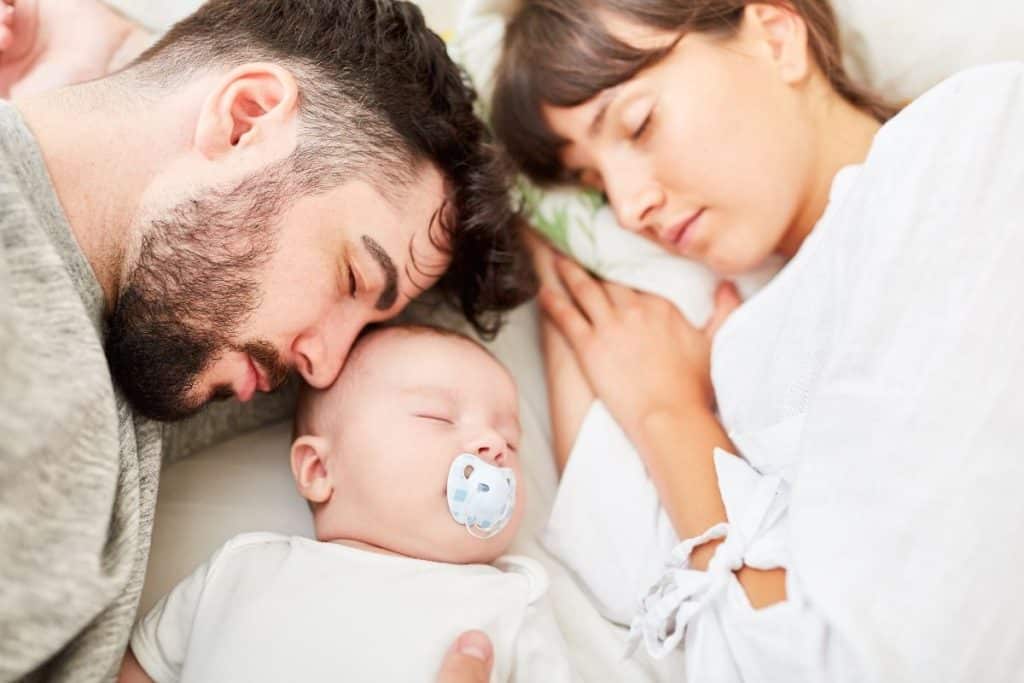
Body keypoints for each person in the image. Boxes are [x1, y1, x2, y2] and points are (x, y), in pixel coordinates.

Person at [0, 0, 534, 680]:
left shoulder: (164, 328)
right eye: (351, 275)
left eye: (369, 326)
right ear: (247, 116)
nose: (327, 365)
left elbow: (415, 384)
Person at [492, 0, 1024, 680]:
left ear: (776, 37)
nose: (627, 207)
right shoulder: (738, 341)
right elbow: (638, 581)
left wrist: (672, 416)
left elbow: (870, 660)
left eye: (638, 122)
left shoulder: (967, 145)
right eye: (592, 182)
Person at [119, 325, 572, 683]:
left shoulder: (511, 603)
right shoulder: (241, 568)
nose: (493, 444)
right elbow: (139, 671)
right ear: (318, 470)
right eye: (437, 417)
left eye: (511, 440)